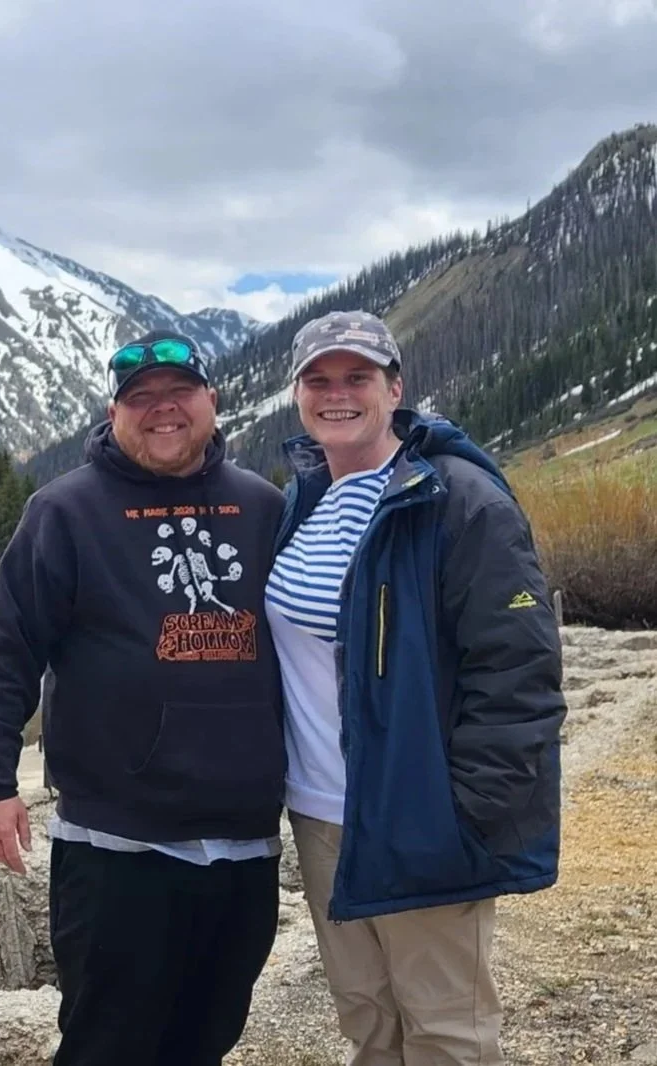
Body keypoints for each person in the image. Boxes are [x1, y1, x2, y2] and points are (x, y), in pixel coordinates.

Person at [0, 329, 288, 1066]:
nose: (162, 411)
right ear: (114, 413)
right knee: (107, 1044)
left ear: (211, 400)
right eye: (141, 398)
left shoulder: (262, 508)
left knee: (207, 1039)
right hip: (118, 848)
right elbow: (9, 649)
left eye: (178, 394)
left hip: (244, 841)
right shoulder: (65, 512)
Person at [265, 310, 565, 1064]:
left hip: (420, 815)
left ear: (395, 388)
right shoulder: (305, 502)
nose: (337, 394)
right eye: (318, 380)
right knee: (369, 1022)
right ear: (297, 395)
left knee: (447, 1034)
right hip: (321, 816)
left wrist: (467, 815)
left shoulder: (457, 500)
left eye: (357, 377)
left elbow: (518, 673)